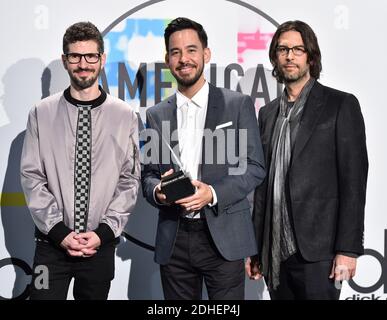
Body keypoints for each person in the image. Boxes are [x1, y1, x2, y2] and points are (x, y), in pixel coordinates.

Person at [141, 17, 265, 300]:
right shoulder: (156, 115)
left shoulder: (237, 104)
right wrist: (159, 193)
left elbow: (255, 167)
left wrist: (212, 193)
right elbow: (147, 175)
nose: (184, 59)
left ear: (206, 54)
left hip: (223, 236)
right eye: (175, 52)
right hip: (174, 239)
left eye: (191, 50)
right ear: (167, 59)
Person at [246, 20, 368, 300]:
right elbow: (262, 187)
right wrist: (256, 247)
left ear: (311, 56)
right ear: (275, 57)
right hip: (274, 251)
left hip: (319, 254)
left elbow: (353, 182)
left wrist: (347, 249)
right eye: (283, 49)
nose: (290, 56)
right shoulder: (267, 113)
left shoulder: (340, 105)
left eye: (298, 49)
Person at [20, 21, 140, 300]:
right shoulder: (41, 113)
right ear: (65, 60)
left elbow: (129, 179)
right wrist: (59, 232)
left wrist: (103, 232)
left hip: (99, 247)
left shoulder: (125, 116)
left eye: (90, 56)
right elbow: (31, 177)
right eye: (75, 56)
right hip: (49, 246)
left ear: (102, 59)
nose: (83, 64)